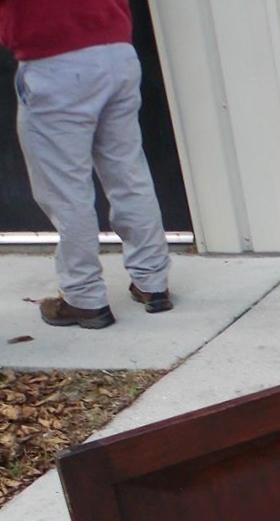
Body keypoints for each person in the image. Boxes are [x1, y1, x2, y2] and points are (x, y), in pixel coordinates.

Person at [1, 0, 172, 330]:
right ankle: (153, 282)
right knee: (128, 173)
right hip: (116, 52)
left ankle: (84, 299)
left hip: (55, 62)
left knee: (66, 190)